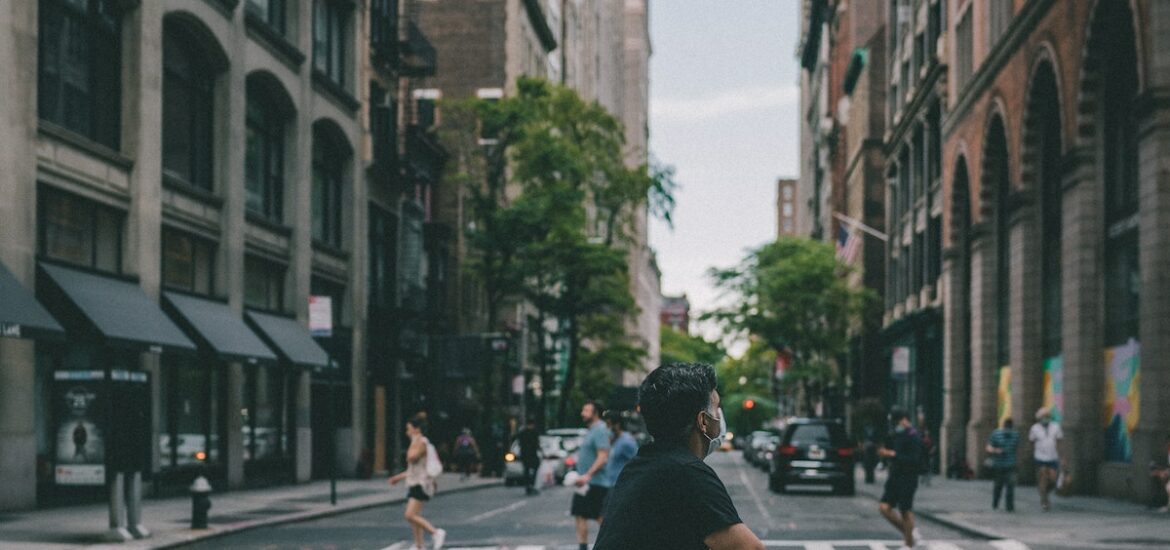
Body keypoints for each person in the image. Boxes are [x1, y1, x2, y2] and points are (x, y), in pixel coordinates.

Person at [594, 362, 765, 550]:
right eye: (716, 408)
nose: (719, 416)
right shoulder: (687, 473)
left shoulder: (640, 466)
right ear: (703, 421)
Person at [389, 413, 447, 550]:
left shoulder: (421, 442)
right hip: (414, 482)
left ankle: (436, 532)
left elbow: (411, 458)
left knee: (410, 515)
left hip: (421, 484)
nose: (407, 432)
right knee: (415, 516)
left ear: (417, 429)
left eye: (409, 428)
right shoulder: (416, 442)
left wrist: (413, 445)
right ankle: (419, 545)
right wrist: (397, 478)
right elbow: (412, 469)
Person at [878, 409, 924, 550]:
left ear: (904, 419)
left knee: (905, 509)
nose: (895, 425)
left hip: (908, 476)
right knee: (884, 507)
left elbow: (915, 460)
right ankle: (910, 532)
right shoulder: (898, 435)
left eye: (896, 422)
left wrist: (893, 454)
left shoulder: (913, 436)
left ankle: (908, 544)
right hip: (895, 475)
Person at [571, 401, 612, 550]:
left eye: (586, 410)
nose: (583, 413)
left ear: (595, 413)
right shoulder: (592, 430)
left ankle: (615, 543)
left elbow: (603, 456)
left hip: (595, 482)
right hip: (586, 483)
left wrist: (588, 475)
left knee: (599, 517)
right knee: (581, 514)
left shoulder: (600, 429)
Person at [1029, 407, 1064, 511]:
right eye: (1043, 417)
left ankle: (1044, 492)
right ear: (1039, 418)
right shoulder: (1034, 428)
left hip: (1053, 457)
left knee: (1053, 479)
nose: (1045, 418)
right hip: (1040, 457)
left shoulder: (1056, 427)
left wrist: (1063, 457)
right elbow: (1031, 441)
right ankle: (1044, 500)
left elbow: (1059, 442)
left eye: (1047, 416)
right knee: (1043, 478)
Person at [986, 418, 1020, 512]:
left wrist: (1017, 463)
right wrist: (996, 450)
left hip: (1011, 465)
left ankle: (1010, 507)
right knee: (998, 486)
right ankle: (995, 504)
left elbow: (1017, 449)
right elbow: (988, 447)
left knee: (1010, 486)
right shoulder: (996, 434)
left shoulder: (1015, 435)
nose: (1008, 431)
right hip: (998, 465)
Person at [603, 410, 637, 484]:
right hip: (610, 483)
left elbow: (635, 463)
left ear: (617, 424)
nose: (606, 428)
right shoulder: (613, 439)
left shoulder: (627, 442)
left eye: (608, 424)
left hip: (621, 484)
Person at [516, 418, 542, 495]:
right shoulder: (535, 432)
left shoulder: (522, 433)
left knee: (526, 470)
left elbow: (520, 443)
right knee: (535, 467)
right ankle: (531, 484)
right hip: (532, 454)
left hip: (524, 454)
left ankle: (528, 485)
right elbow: (537, 444)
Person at [1148, 433, 1170, 512]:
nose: (1168, 445)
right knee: (1155, 473)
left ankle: (1165, 504)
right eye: (1167, 443)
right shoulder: (1166, 453)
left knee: (1164, 480)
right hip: (1166, 472)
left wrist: (1164, 472)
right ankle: (1156, 500)